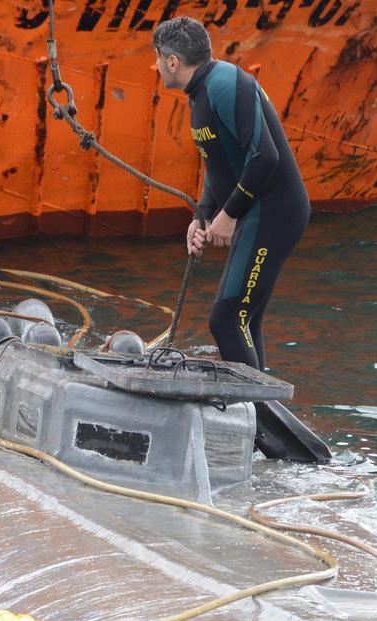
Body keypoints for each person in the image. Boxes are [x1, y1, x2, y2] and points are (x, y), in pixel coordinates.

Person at [151, 17, 310, 372]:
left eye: (157, 58)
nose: (156, 65)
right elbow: (219, 166)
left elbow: (266, 156)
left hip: (274, 213)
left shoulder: (224, 85)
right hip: (257, 211)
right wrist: (202, 216)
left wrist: (230, 214)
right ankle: (261, 418)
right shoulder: (200, 93)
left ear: (172, 61)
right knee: (244, 321)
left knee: (225, 320)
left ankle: (255, 422)